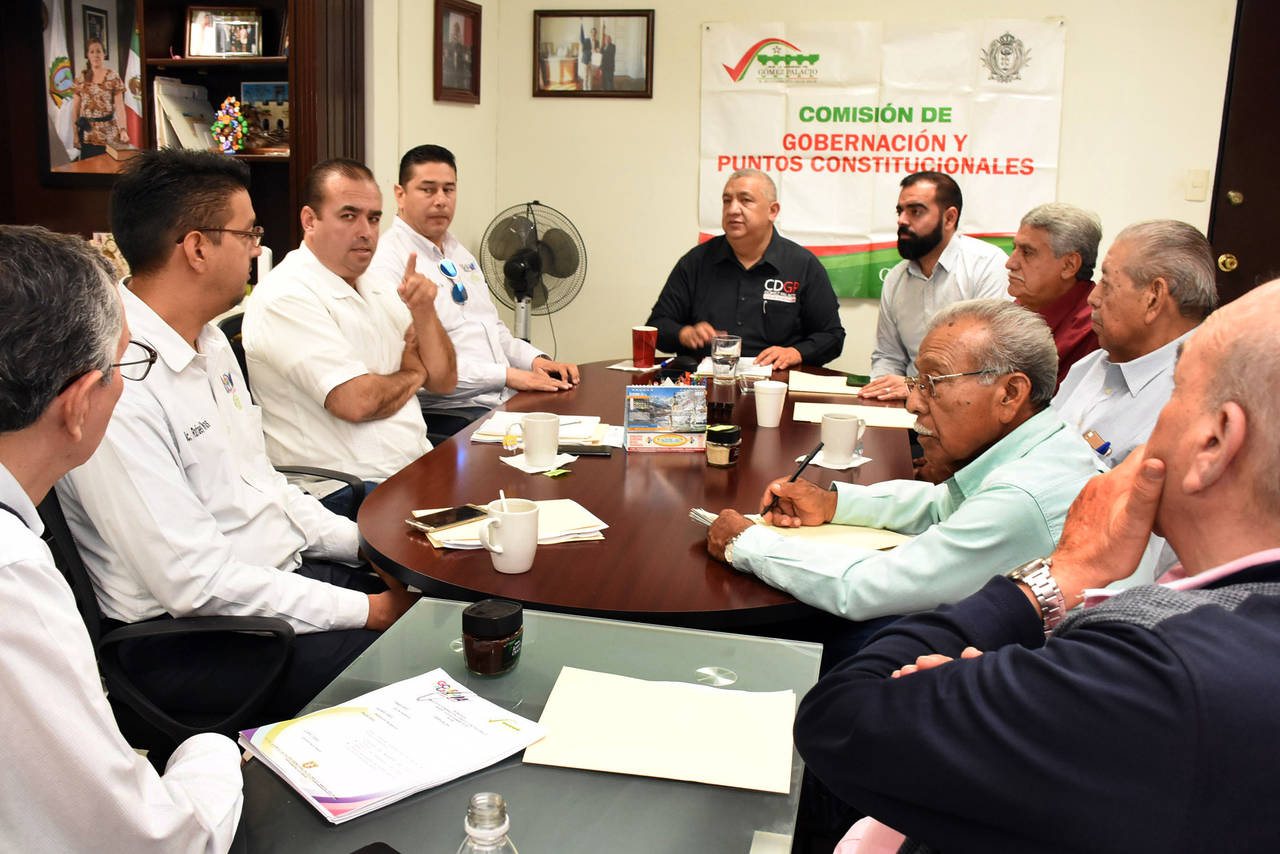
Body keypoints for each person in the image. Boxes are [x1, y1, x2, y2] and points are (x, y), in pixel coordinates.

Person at [793, 278, 1280, 854]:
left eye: (1175, 394)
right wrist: (1011, 681)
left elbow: (841, 719)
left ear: (1215, 442)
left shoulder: (1156, 674)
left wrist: (1060, 575)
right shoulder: (1219, 626)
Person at [56, 149, 418, 726]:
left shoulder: (208, 341)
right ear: (197, 248)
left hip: (272, 580)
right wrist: (369, 610)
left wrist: (366, 548)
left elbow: (264, 487)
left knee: (439, 605)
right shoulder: (120, 382)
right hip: (196, 637)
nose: (256, 249)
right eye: (249, 233)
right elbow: (195, 583)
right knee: (422, 668)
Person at [0, 225, 242, 852]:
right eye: (124, 365)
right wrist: (214, 751)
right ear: (79, 402)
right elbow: (153, 841)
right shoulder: (13, 582)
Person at [707, 299, 1103, 624]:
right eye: (916, 382)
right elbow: (944, 504)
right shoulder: (1043, 444)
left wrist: (746, 542)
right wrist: (832, 504)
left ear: (1010, 394)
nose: (913, 402)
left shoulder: (1021, 497)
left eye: (932, 384)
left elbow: (868, 586)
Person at [242, 158, 457, 501]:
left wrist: (424, 312)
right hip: (344, 490)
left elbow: (444, 380)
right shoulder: (286, 294)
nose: (365, 231)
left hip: (411, 469)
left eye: (373, 218)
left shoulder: (376, 283)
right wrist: (415, 372)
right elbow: (357, 402)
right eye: (348, 216)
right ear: (309, 220)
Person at [367, 144, 579, 437]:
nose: (440, 201)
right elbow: (414, 366)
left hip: (499, 401)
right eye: (428, 190)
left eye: (448, 190)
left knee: (580, 420)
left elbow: (493, 329)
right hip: (450, 413)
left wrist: (536, 361)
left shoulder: (459, 253)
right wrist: (508, 376)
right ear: (400, 194)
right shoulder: (387, 261)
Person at [1053, 219, 1216, 467]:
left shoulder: (1197, 399)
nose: (1093, 298)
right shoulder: (1091, 365)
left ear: (1153, 298)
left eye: (1107, 284)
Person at [646, 168, 845, 370]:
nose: (732, 209)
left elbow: (832, 336)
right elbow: (656, 326)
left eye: (745, 200)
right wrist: (684, 334)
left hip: (777, 381)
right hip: (707, 381)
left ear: (772, 211)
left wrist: (796, 352)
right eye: (727, 201)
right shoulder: (696, 262)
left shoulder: (802, 265)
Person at [861, 172, 1009, 401]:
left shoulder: (987, 265)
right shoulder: (896, 278)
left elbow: (989, 364)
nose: (902, 221)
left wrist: (918, 387)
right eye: (900, 211)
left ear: (949, 218)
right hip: (907, 406)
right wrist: (880, 393)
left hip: (968, 407)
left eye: (915, 211)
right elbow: (888, 357)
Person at [1005, 202, 1102, 387]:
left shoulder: (1096, 328)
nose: (1010, 263)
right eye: (1014, 249)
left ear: (1069, 265)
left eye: (1027, 252)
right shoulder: (1014, 311)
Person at [71, 37, 129, 160]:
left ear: (104, 54)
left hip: (109, 134)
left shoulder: (113, 77)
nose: (95, 55)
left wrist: (123, 130)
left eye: (98, 51)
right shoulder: (81, 78)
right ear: (88, 55)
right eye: (92, 52)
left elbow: (120, 106)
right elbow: (75, 109)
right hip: (87, 135)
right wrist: (75, 134)